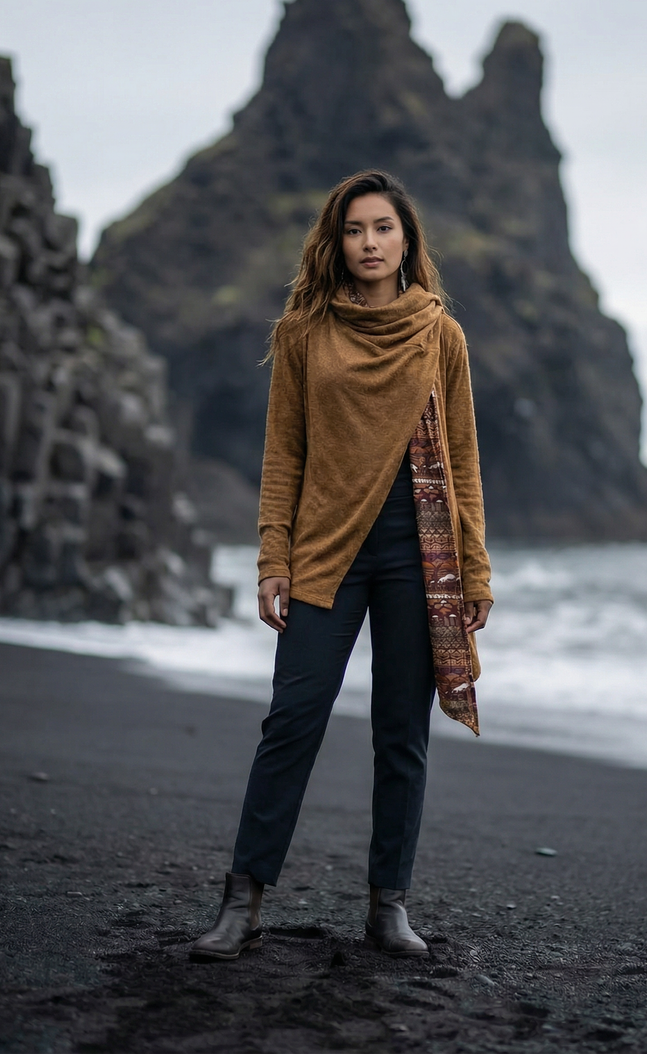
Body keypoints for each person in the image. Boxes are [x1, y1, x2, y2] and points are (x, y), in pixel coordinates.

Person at [190, 170, 493, 961]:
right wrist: (272, 558)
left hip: (418, 551)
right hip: (328, 549)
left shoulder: (441, 336)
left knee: (402, 734)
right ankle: (243, 900)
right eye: (355, 229)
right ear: (336, 239)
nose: (369, 242)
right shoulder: (302, 332)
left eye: (383, 228)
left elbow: (462, 457)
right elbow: (283, 452)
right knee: (291, 722)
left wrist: (475, 570)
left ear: (406, 240)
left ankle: (388, 905)